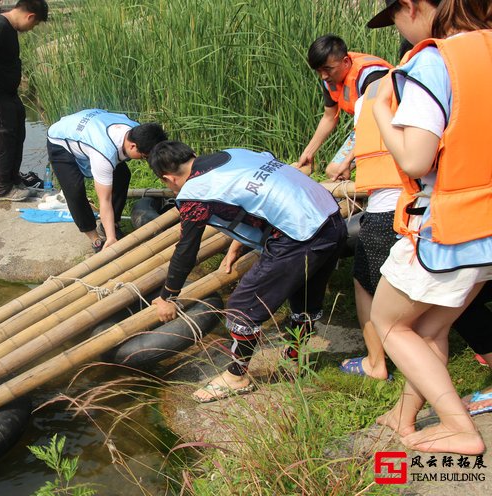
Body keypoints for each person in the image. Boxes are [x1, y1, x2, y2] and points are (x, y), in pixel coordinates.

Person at [367, 0, 492, 455]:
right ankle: (404, 415)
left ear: (414, 7)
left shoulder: (436, 60)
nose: (399, 28)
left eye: (395, 17)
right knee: (430, 329)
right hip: (487, 230)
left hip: (451, 228)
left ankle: (461, 429)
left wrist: (380, 107)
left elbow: (417, 159)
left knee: (388, 325)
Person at [148, 141, 346, 402]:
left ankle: (236, 376)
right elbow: (256, 200)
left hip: (299, 236)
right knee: (304, 297)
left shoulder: (195, 192)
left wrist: (168, 296)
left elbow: (186, 251)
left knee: (242, 307)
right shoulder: (233, 154)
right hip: (331, 221)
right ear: (193, 155)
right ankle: (295, 360)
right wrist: (235, 248)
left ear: (168, 178)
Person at [46, 109, 167, 251]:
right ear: (132, 146)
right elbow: (105, 200)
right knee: (74, 191)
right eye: (145, 157)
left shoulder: (137, 130)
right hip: (61, 140)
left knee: (122, 175)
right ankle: (95, 239)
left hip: (89, 130)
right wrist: (111, 239)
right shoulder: (104, 153)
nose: (145, 160)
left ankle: (110, 224)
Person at [0, 0, 48, 201]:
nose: (32, 28)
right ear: (30, 16)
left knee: (16, 138)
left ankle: (13, 180)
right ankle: (3, 189)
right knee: (3, 142)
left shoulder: (8, 28)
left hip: (8, 96)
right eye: (35, 24)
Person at [297, 35, 392, 175]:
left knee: (338, 171)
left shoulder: (372, 77)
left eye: (328, 69)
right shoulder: (330, 80)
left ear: (346, 62)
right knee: (333, 171)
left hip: (388, 125)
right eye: (318, 71)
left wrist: (348, 161)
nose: (323, 76)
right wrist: (309, 152)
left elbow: (375, 125)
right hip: (367, 124)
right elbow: (329, 117)